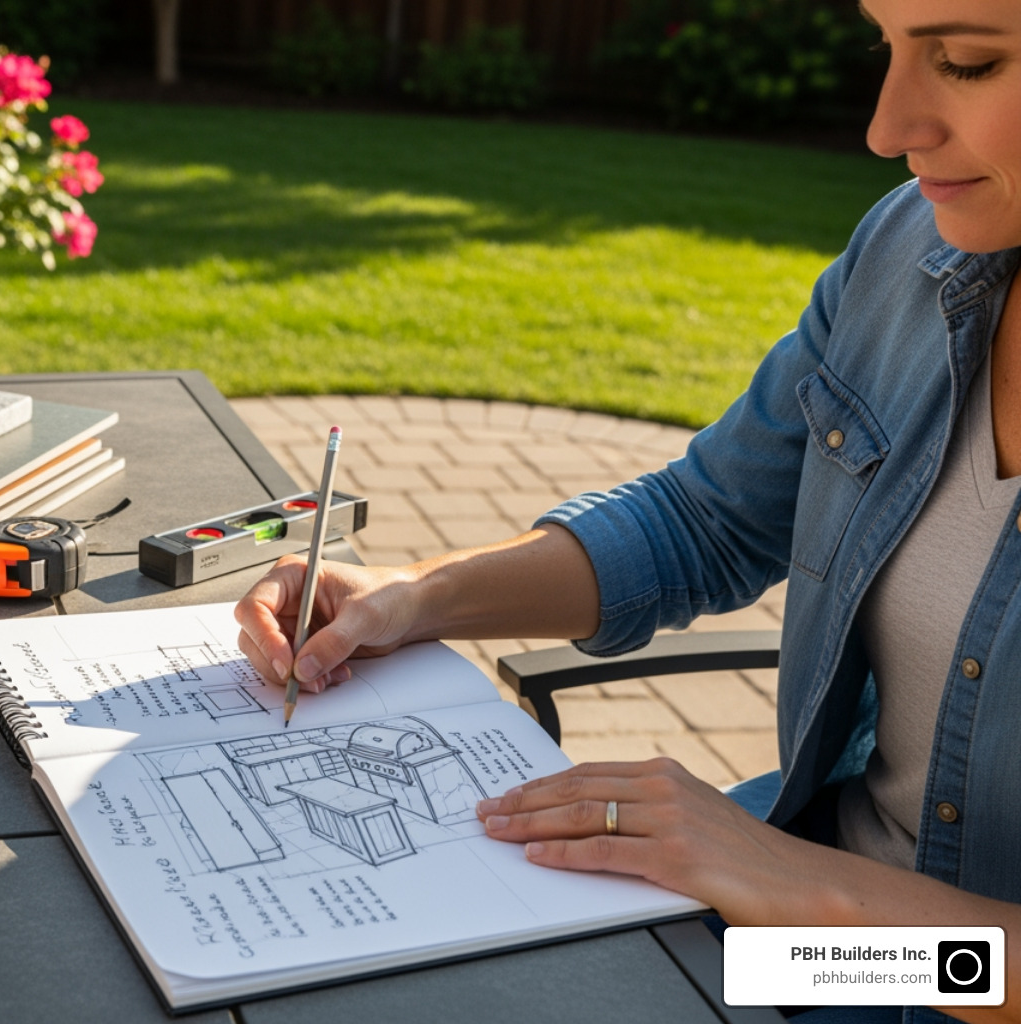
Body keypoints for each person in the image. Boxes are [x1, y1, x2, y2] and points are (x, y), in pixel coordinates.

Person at [233, 2, 1021, 1022]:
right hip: (794, 934)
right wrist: (411, 597)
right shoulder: (907, 251)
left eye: (966, 62)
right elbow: (708, 518)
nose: (886, 125)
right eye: (891, 46)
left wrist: (810, 894)